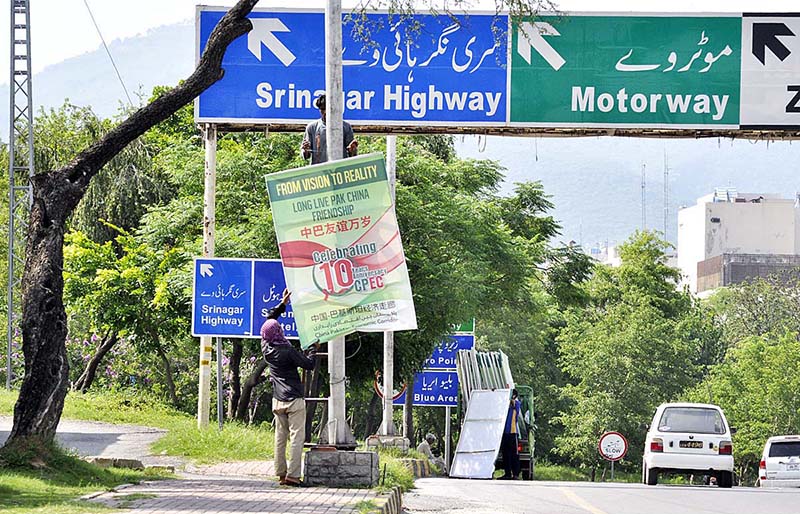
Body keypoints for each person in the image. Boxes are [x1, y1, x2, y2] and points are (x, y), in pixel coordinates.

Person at [261, 289, 318, 487]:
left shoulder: (266, 347)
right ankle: (293, 476)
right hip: (294, 398)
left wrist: (282, 303)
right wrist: (313, 348)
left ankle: (281, 473)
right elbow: (309, 365)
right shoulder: (287, 350)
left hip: (278, 399)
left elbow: (269, 319)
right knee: (296, 437)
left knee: (280, 437)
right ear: (279, 332)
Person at [301, 94, 358, 163]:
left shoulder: (345, 126)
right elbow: (306, 156)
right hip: (319, 171)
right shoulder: (312, 127)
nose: (325, 112)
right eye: (322, 109)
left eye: (328, 109)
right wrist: (305, 150)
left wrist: (353, 150)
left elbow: (352, 155)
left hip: (339, 170)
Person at [500, 389, 522, 480]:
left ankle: (515, 474)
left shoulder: (515, 403)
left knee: (514, 454)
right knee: (506, 454)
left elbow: (514, 405)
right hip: (505, 432)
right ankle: (507, 473)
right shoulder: (506, 404)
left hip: (512, 432)